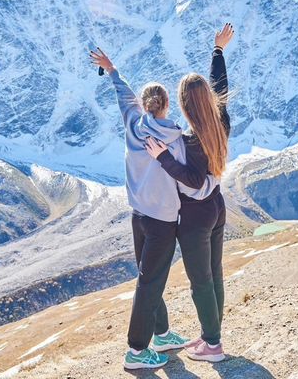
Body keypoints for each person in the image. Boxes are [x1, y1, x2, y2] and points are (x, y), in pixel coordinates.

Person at [89, 48, 188, 370]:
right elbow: (186, 177)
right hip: (162, 220)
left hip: (139, 216)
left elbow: (124, 97)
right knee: (150, 283)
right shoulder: (175, 136)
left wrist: (113, 70)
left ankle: (162, 334)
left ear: (144, 106)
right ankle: (136, 351)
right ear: (167, 105)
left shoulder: (133, 123)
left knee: (149, 277)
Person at [145, 23, 234, 363]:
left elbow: (193, 180)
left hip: (196, 215)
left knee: (201, 282)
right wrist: (218, 51)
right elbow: (220, 86)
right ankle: (213, 335)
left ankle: (213, 346)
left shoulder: (189, 139)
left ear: (183, 105)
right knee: (215, 274)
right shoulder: (220, 120)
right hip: (217, 206)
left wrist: (162, 157)